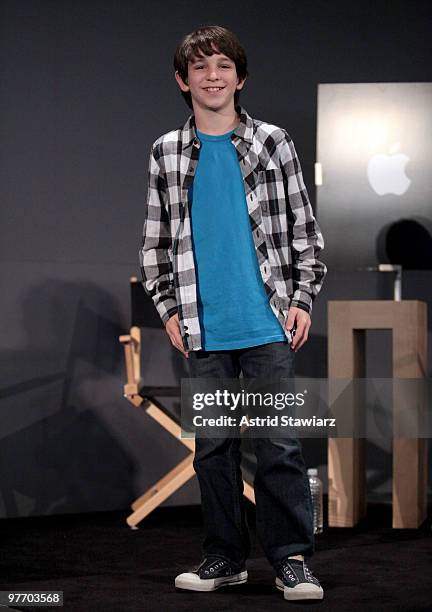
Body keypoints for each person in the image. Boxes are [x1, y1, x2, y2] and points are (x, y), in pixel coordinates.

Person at [139, 25, 327, 602]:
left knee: (279, 446)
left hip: (267, 322)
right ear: (182, 80)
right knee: (213, 451)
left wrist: (300, 299)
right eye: (200, 67)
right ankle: (224, 557)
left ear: (239, 77)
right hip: (202, 327)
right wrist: (169, 309)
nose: (212, 75)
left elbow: (304, 232)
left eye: (223, 65)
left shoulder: (273, 142)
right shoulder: (166, 152)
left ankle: (293, 559)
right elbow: (155, 245)